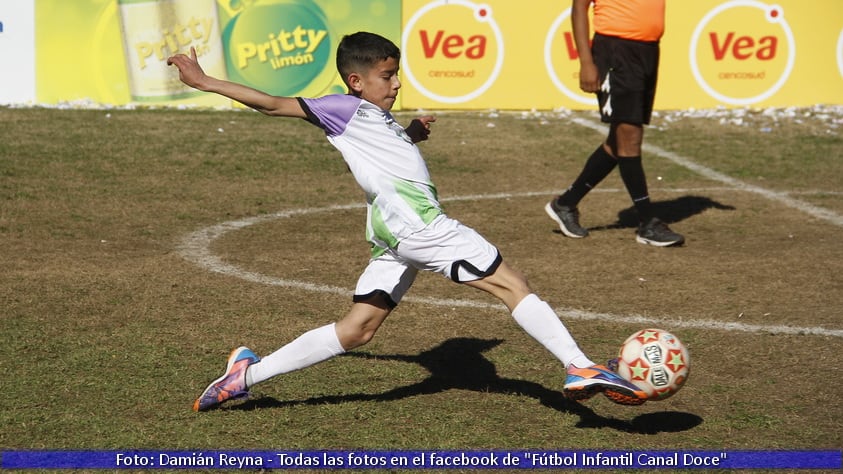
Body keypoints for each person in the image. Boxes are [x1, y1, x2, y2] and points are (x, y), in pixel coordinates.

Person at [167, 31, 647, 412]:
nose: (396, 84)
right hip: (422, 229)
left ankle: (243, 377)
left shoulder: (372, 114)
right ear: (356, 81)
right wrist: (206, 82)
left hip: (394, 237)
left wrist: (410, 135)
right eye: (387, 76)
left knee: (357, 330)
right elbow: (273, 103)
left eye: (397, 75)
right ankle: (579, 366)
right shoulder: (343, 108)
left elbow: (383, 152)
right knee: (512, 285)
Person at [545, 0, 685, 246]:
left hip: (648, 51)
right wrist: (586, 62)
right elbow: (579, 7)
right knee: (629, 137)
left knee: (618, 140)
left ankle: (565, 203)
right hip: (615, 51)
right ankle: (647, 223)